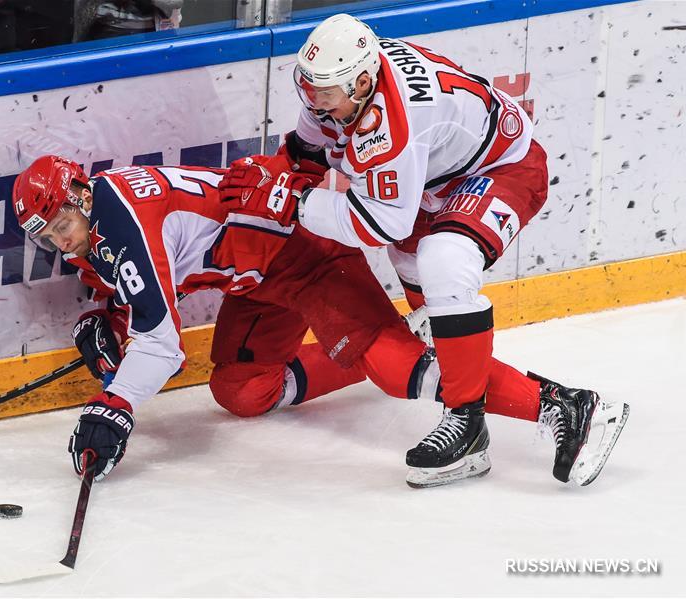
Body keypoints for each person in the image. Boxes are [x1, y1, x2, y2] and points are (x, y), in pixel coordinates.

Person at [13, 154, 614, 488]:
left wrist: (114, 405)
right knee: (242, 390)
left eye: (62, 226)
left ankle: (562, 404)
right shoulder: (103, 223)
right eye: (48, 239)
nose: (64, 246)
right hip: (255, 280)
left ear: (82, 196)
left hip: (307, 255)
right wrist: (106, 320)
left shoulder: (121, 223)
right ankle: (372, 355)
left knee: (394, 368)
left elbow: (163, 344)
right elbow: (144, 284)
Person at [217, 13, 629, 487]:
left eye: (323, 93)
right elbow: (308, 153)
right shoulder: (341, 86)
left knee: (445, 260)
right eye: (307, 87)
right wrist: (274, 177)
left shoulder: (392, 121)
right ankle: (486, 375)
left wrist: (291, 200)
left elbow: (379, 223)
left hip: (502, 169)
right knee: (427, 295)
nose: (312, 100)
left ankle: (472, 422)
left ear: (363, 83)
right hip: (431, 182)